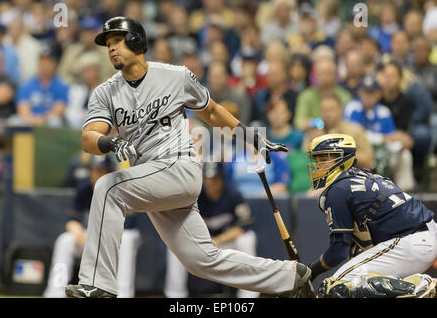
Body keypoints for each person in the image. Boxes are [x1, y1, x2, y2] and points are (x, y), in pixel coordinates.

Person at [65, 16, 310, 298]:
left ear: (137, 41)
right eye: (108, 44)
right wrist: (108, 141)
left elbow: (213, 111)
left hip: (179, 167)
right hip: (150, 178)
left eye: (118, 40)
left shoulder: (175, 76)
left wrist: (251, 136)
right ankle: (290, 276)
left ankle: (99, 284)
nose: (111, 48)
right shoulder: (105, 92)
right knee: (201, 260)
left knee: (108, 187)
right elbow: (88, 138)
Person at [306, 133, 437, 298]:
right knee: (359, 282)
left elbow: (338, 251)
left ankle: (418, 288)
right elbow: (361, 244)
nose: (318, 165)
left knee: (335, 287)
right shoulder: (364, 176)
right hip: (420, 237)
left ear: (342, 159)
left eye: (324, 158)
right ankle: (413, 286)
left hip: (410, 243)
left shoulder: (338, 190)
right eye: (317, 159)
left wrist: (311, 270)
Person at [44, 154, 142, 298]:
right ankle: (55, 292)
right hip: (94, 236)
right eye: (95, 170)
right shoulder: (85, 189)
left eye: (102, 171)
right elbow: (72, 220)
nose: (97, 175)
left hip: (120, 236)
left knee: (126, 240)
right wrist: (78, 233)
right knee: (65, 240)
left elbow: (127, 225)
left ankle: (123, 293)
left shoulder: (122, 188)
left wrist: (96, 238)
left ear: (110, 172)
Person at [164, 162, 259, 298]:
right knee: (174, 246)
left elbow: (244, 226)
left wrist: (218, 240)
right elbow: (181, 225)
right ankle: (175, 296)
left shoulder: (233, 194)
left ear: (222, 178)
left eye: (215, 178)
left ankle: (249, 296)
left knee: (247, 239)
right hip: (200, 243)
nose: (211, 182)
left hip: (225, 243)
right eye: (208, 178)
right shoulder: (195, 195)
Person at [343, 75, 416, 191]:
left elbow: (391, 139)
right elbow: (352, 135)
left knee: (405, 155)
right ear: (360, 93)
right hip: (360, 151)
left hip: (382, 151)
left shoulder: (384, 112)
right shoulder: (352, 108)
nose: (367, 96)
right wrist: (384, 138)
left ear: (378, 94)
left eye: (371, 93)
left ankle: (405, 195)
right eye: (365, 92)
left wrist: (400, 142)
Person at [294, 58, 352, 131]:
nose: (324, 77)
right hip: (313, 136)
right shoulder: (306, 96)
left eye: (328, 73)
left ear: (335, 75)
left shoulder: (344, 96)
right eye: (321, 73)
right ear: (315, 76)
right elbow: (299, 124)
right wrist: (318, 122)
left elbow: (350, 122)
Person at [15, 47, 69, 127]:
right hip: (30, 120)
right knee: (15, 120)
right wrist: (31, 119)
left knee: (55, 121)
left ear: (54, 64)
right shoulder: (28, 84)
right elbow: (22, 107)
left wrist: (42, 119)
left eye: (48, 62)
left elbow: (59, 109)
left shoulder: (61, 85)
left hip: (48, 121)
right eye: (42, 61)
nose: (44, 65)